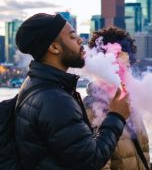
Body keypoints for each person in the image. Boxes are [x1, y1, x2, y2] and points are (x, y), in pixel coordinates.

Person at [15, 13, 130, 170]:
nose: (80, 40)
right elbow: (91, 160)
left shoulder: (36, 85)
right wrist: (117, 116)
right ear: (54, 48)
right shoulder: (55, 100)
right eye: (72, 36)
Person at [84, 26, 150, 170]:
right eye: (120, 64)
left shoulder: (130, 105)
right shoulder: (92, 110)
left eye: (128, 64)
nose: (126, 69)